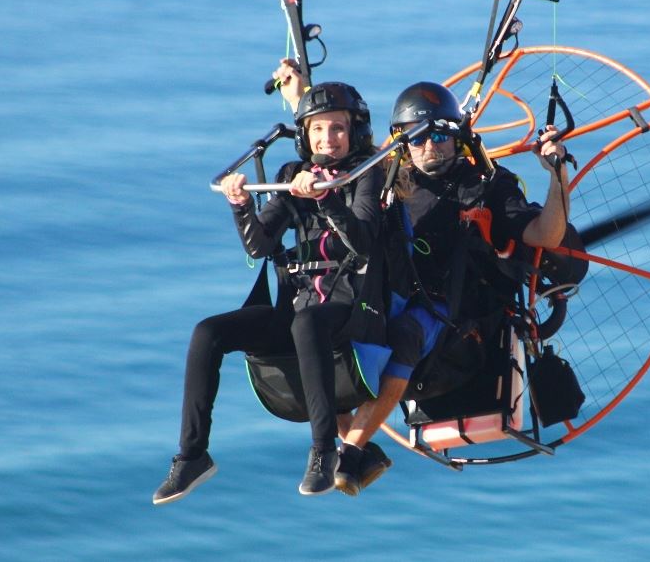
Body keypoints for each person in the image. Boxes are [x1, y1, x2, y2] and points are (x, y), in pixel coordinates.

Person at [152, 60, 386, 504]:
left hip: (350, 308)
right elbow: (259, 246)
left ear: (354, 132)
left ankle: (323, 452)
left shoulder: (365, 174)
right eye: (317, 131)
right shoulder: (288, 176)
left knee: (306, 324)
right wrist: (241, 205)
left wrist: (329, 197)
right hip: (297, 309)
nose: (327, 139)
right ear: (305, 135)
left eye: (337, 129)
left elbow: (363, 241)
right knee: (209, 332)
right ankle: (191, 456)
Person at [332, 81, 571, 496]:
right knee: (326, 327)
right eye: (419, 138)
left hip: (458, 328)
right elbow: (334, 145)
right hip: (398, 303)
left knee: (404, 335)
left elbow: (546, 234)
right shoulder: (390, 183)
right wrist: (302, 92)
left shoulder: (487, 185)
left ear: (456, 138)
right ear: (402, 143)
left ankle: (351, 451)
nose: (431, 147)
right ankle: (350, 444)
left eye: (440, 136)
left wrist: (557, 173)